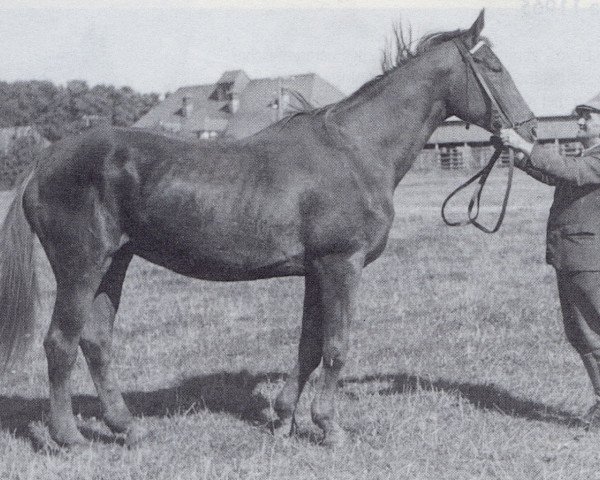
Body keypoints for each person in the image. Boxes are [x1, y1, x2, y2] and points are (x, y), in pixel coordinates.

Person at [501, 95, 600, 429]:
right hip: (573, 256)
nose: (581, 121)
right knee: (582, 335)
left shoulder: (595, 159)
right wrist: (522, 158)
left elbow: (571, 171)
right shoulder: (588, 156)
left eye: (588, 117)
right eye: (580, 116)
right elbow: (560, 176)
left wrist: (526, 147)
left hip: (590, 259)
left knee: (595, 330)